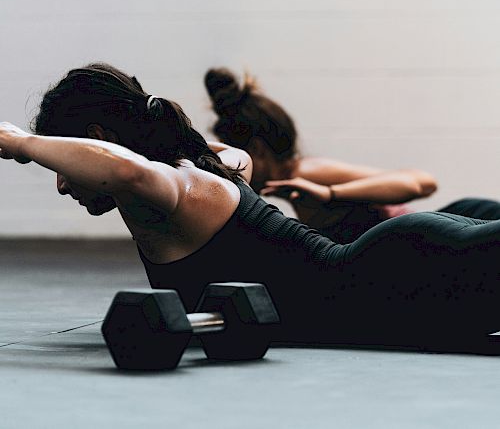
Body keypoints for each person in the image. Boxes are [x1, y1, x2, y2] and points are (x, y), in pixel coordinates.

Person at [2, 63, 500, 347]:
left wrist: (21, 143)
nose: (64, 184)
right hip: (402, 282)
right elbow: (143, 159)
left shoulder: (172, 190)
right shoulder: (216, 164)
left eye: (63, 162)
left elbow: (126, 169)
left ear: (97, 140)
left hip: (400, 279)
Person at [205, 68, 500, 243]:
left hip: (461, 226)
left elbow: (421, 183)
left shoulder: (307, 173)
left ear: (256, 150)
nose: (228, 167)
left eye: (231, 156)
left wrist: (330, 193)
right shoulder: (295, 187)